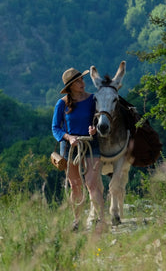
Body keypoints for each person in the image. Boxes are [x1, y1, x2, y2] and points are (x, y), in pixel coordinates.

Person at [51, 67, 104, 230]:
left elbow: (100, 120)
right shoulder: (62, 104)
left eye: (82, 79)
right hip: (69, 147)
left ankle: (102, 220)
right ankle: (77, 221)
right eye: (78, 81)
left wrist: (95, 129)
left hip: (90, 144)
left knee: (91, 183)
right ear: (71, 86)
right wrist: (69, 137)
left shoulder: (93, 99)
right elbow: (55, 128)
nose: (82, 83)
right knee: (75, 185)